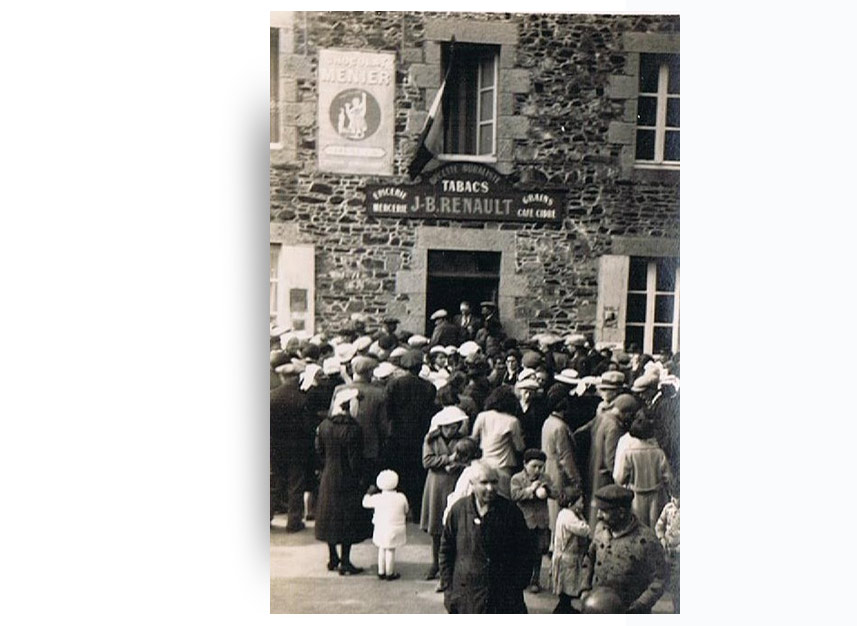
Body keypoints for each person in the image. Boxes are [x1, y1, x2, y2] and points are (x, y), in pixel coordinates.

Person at [439, 461, 532, 613]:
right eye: (484, 482)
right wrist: (449, 590)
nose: (490, 488)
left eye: (494, 482)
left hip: (504, 599)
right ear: (472, 484)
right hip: (466, 598)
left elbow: (526, 551)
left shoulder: (510, 512)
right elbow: (446, 551)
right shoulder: (459, 511)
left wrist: (517, 585)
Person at [582, 484, 667, 613]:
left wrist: (639, 605)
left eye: (604, 511)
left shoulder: (645, 540)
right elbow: (589, 559)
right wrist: (585, 589)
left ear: (621, 512)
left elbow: (660, 578)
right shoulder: (600, 530)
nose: (598, 515)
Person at [314, 388, 368, 576]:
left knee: (330, 516)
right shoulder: (353, 429)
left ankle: (332, 557)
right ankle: (345, 561)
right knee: (347, 519)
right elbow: (355, 460)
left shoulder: (324, 426)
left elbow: (319, 452)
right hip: (347, 479)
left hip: (329, 475)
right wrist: (360, 477)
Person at [384, 349, 438, 521]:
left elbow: (389, 411)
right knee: (418, 472)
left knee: (401, 470)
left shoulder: (394, 385)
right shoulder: (429, 387)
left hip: (399, 435)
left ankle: (401, 509)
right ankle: (417, 510)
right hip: (420, 434)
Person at [420, 406, 469, 582]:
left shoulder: (463, 440)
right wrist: (448, 459)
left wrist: (459, 464)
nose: (450, 430)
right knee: (436, 528)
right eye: (447, 427)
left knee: (454, 526)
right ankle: (436, 563)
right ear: (440, 427)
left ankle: (451, 566)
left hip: (456, 483)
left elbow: (469, 459)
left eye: (454, 426)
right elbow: (427, 461)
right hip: (436, 484)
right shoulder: (431, 440)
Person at [587, 393, 639, 530]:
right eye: (631, 414)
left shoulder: (602, 418)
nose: (631, 419)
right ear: (625, 412)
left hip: (594, 472)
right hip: (605, 479)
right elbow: (611, 461)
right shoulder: (614, 427)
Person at [270, 363, 312, 531]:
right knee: (296, 485)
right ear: (296, 378)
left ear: (282, 377)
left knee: (273, 483)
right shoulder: (303, 398)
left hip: (274, 447)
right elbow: (308, 427)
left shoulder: (271, 396)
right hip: (297, 448)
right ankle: (294, 521)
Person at [510, 449, 558, 594]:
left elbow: (555, 494)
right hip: (524, 521)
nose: (537, 470)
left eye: (540, 467)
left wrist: (547, 489)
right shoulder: (517, 478)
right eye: (534, 466)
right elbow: (515, 495)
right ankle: (520, 578)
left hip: (540, 521)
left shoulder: (545, 478)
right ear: (525, 464)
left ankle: (534, 580)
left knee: (537, 551)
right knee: (522, 551)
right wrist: (531, 490)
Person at [614, 415, 673, 528]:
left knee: (638, 528)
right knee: (657, 527)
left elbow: (619, 477)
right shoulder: (658, 452)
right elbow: (668, 477)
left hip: (636, 497)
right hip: (657, 496)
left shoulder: (629, 453)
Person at [471, 386, 526, 498]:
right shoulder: (512, 421)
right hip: (503, 466)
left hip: (484, 464)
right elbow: (519, 447)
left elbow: (473, 439)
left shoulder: (482, 416)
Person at [540, 396, 581, 543]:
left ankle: (552, 542)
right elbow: (565, 457)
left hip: (548, 468)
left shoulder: (548, 422)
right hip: (558, 471)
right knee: (559, 507)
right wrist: (575, 479)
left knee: (552, 508)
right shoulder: (560, 427)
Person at [550, 485, 591, 614]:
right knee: (567, 586)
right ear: (571, 502)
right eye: (580, 501)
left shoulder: (565, 513)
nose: (583, 504)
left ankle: (565, 606)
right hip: (567, 558)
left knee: (567, 586)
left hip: (568, 556)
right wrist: (583, 519)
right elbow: (584, 530)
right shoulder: (569, 516)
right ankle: (562, 609)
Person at [362, 469, 409, 581]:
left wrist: (369, 493)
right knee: (390, 550)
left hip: (381, 528)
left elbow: (365, 503)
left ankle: (381, 571)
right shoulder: (401, 497)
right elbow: (406, 509)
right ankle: (390, 572)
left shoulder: (378, 498)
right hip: (395, 528)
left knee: (381, 548)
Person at [655, 488, 680, 613]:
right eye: (673, 497)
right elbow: (659, 526)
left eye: (679, 498)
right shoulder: (668, 508)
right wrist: (662, 538)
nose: (676, 501)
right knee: (669, 579)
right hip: (669, 551)